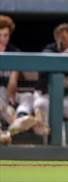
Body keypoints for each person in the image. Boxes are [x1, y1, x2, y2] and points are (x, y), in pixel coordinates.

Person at [0, 15, 39, 144]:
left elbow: (13, 82)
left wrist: (12, 88)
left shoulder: (13, 51)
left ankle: (21, 119)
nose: (2, 39)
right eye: (0, 35)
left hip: (9, 93)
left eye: (5, 35)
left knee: (28, 96)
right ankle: (8, 129)